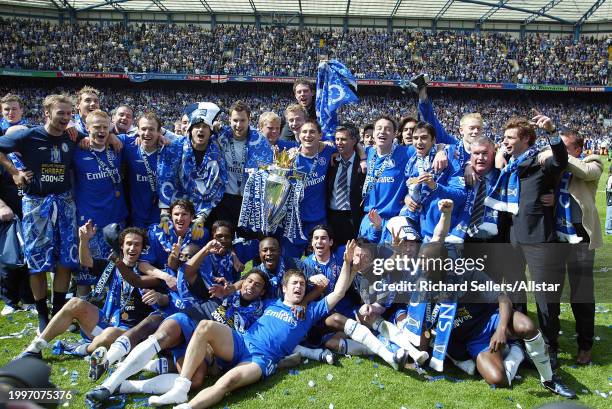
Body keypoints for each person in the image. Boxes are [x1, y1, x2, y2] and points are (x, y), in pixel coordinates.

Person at [147, 241, 366, 408]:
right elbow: (249, 283)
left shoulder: (308, 312)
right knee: (205, 326)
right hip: (241, 342)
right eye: (294, 284)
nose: (299, 287)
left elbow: (338, 292)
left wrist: (348, 264)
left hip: (261, 359)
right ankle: (182, 386)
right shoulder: (270, 302)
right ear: (284, 288)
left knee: (228, 382)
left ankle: (187, 406)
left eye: (302, 284)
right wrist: (230, 288)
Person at [421, 202, 576, 398]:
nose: (423, 268)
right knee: (498, 380)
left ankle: (549, 379)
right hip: (472, 339)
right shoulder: (421, 287)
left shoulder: (464, 272)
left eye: (427, 263)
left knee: (526, 326)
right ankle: (518, 353)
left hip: (491, 321)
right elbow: (423, 325)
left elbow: (502, 298)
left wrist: (501, 330)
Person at [485, 114, 568, 369]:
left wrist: (552, 133)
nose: (505, 141)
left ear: (525, 139)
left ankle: (550, 347)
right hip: (513, 240)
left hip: (539, 238)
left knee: (545, 297)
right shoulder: (509, 165)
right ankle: (522, 342)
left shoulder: (539, 160)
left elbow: (560, 162)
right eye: (505, 137)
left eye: (510, 137)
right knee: (515, 293)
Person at [0, 94, 82, 332]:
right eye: (61, 114)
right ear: (47, 114)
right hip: (36, 204)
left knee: (66, 260)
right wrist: (15, 172)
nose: (66, 118)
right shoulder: (27, 135)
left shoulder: (73, 136)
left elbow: (101, 135)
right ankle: (42, 315)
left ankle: (58, 312)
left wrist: (110, 137)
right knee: (36, 262)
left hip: (65, 205)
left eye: (69, 114)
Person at [16, 224, 157, 360]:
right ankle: (35, 349)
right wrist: (84, 240)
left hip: (128, 334)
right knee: (74, 303)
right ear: (122, 245)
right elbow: (86, 261)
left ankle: (80, 349)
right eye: (129, 243)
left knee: (109, 334)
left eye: (137, 244)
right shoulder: (111, 265)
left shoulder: (147, 271)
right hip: (104, 323)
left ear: (142, 248)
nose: (132, 248)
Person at [557, 130, 603, 365]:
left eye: (563, 147)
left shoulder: (592, 161)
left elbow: (585, 173)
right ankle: (549, 341)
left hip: (580, 233)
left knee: (581, 292)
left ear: (577, 149)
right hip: (555, 231)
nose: (558, 151)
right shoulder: (556, 165)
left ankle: (585, 345)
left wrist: (555, 151)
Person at [73, 109, 128, 293]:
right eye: (96, 127)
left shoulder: (118, 148)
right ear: (87, 128)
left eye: (105, 127)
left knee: (114, 271)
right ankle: (82, 315)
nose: (101, 131)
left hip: (115, 220)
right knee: (85, 275)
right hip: (90, 222)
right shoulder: (77, 151)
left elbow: (149, 136)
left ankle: (109, 312)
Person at [158, 102, 227, 232]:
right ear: (190, 130)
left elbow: (218, 184)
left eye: (205, 126)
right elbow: (165, 179)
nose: (200, 130)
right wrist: (165, 213)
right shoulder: (175, 148)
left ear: (210, 131)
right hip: (176, 212)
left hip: (206, 213)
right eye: (197, 126)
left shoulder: (217, 150)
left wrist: (202, 216)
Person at [209, 101, 272, 230]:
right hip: (224, 199)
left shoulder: (260, 142)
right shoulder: (220, 136)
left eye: (243, 120)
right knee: (225, 239)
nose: (238, 125)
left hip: (250, 201)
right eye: (235, 120)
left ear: (249, 119)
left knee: (247, 242)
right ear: (229, 120)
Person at [402, 121, 466, 242]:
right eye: (415, 138)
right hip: (417, 226)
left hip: (443, 231)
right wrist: (407, 198)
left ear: (433, 140)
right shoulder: (411, 162)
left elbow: (461, 195)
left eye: (424, 138)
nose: (419, 142)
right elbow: (408, 186)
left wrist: (435, 187)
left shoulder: (449, 157)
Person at [282, 120, 336, 257]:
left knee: (319, 262)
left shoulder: (328, 152)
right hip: (294, 221)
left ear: (320, 135)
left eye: (312, 132)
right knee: (291, 263)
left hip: (318, 220)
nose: (308, 135)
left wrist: (363, 157)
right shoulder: (289, 157)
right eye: (304, 132)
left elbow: (352, 146)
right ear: (299, 135)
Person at [121, 112, 164, 228]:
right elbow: (109, 134)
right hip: (136, 218)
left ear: (159, 132)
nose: (147, 133)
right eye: (143, 129)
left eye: (151, 129)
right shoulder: (129, 146)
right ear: (137, 131)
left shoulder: (168, 151)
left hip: (161, 218)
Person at [326, 123, 366, 245]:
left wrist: (363, 158)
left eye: (343, 139)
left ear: (354, 141)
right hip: (332, 217)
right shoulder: (331, 160)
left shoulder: (364, 163)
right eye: (337, 139)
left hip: (353, 217)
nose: (339, 143)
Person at [606, 165, 612, 235]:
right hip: (610, 199)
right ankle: (608, 230)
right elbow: (609, 189)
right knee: (610, 216)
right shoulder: (611, 178)